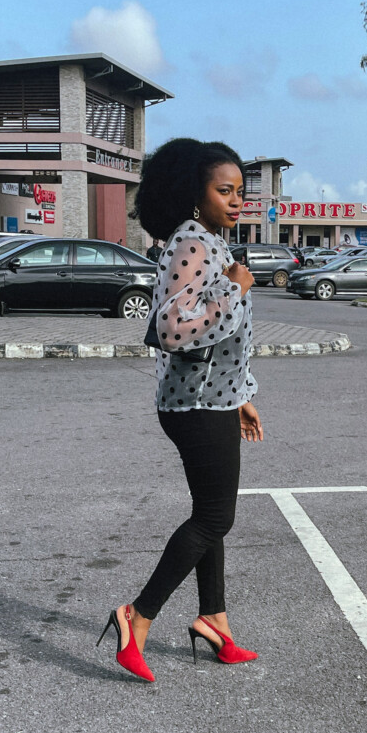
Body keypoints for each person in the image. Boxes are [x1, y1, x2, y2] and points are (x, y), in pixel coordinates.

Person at [96, 138, 264, 683]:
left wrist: (241, 397)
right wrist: (234, 292)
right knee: (217, 516)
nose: (237, 201)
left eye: (241, 191)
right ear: (196, 196)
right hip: (195, 405)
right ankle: (136, 616)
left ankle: (214, 620)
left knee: (209, 513)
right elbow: (173, 328)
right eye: (224, 190)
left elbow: (223, 345)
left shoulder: (210, 242)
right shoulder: (194, 243)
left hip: (211, 399)